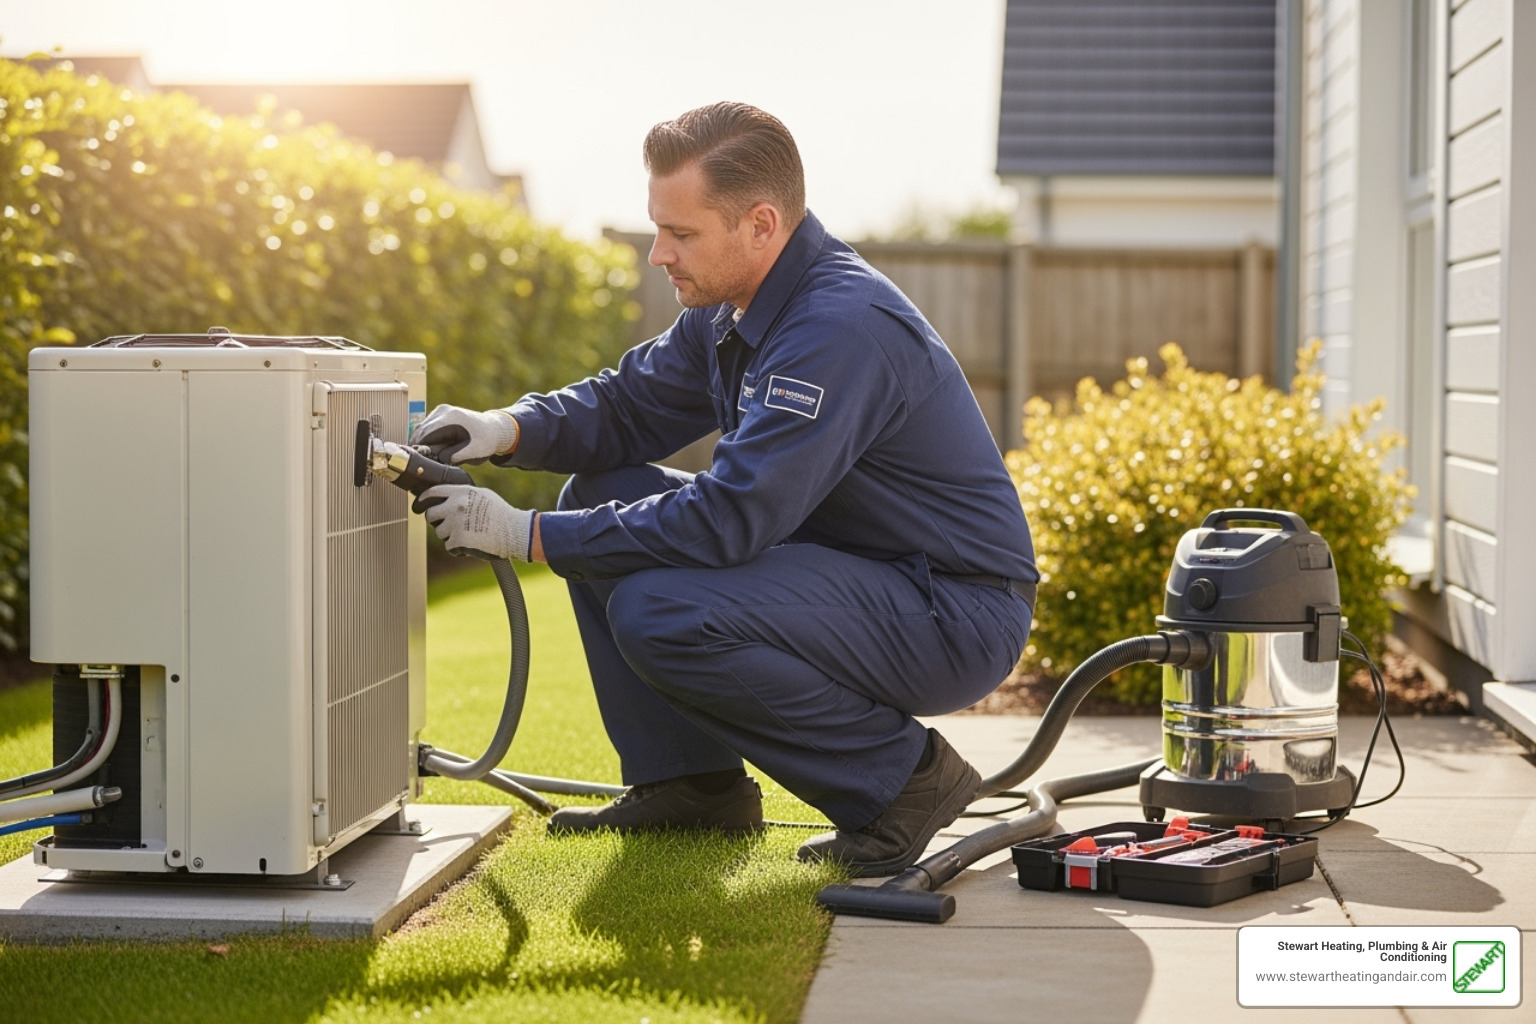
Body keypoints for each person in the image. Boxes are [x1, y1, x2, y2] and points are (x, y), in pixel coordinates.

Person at [412, 101, 1037, 878]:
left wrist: (527, 536)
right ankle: (691, 787)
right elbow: (627, 406)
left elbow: (733, 517)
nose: (656, 255)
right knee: (595, 488)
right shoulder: (732, 310)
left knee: (659, 610)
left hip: (952, 608)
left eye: (680, 234)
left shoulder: (837, 328)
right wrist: (506, 426)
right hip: (851, 567)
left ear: (761, 225)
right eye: (657, 228)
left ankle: (904, 782)